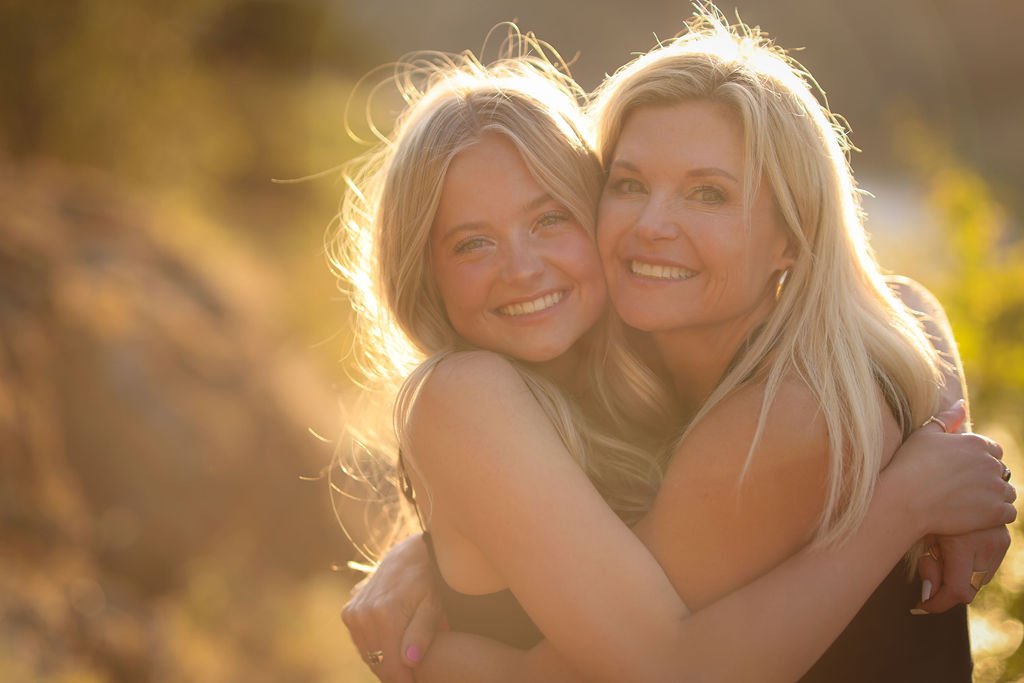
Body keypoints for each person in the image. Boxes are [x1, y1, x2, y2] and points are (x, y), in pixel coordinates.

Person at [334, 16, 1015, 683]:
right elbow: (907, 302)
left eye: (709, 193)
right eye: (630, 185)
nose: (653, 225)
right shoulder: (552, 390)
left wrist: (919, 488)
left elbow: (665, 666)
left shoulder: (787, 411)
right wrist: (429, 553)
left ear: (794, 237)